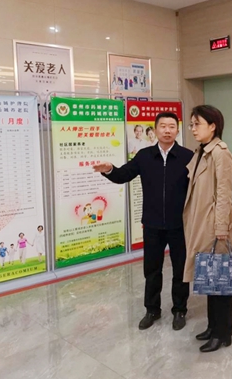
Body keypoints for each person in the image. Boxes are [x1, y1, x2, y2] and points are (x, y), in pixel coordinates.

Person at [94, 112, 193, 331]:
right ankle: (152, 310)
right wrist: (109, 169)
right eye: (163, 126)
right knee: (152, 270)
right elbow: (123, 175)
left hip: (180, 225)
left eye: (172, 126)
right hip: (152, 224)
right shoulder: (145, 156)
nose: (167, 130)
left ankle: (179, 310)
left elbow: (198, 187)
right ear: (155, 130)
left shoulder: (187, 156)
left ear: (177, 130)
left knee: (180, 270)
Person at [183, 105, 232, 353]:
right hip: (202, 223)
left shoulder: (220, 153)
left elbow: (224, 193)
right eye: (192, 124)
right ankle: (213, 326)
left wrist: (221, 228)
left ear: (212, 126)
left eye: (197, 124)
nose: (193, 129)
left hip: (215, 225)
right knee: (209, 279)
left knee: (220, 282)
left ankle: (222, 334)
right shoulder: (202, 151)